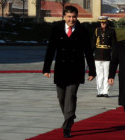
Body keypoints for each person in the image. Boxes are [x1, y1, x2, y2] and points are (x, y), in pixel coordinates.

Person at [42, 6, 96, 138]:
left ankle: (67, 126)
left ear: (77, 17)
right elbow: (50, 49)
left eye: (74, 17)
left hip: (76, 69)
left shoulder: (83, 30)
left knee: (71, 96)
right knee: (61, 98)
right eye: (69, 17)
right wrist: (46, 68)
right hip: (61, 68)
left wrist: (92, 71)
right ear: (64, 17)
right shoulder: (56, 29)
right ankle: (70, 115)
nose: (71, 19)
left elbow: (88, 51)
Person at [92, 16, 116, 97]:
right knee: (99, 75)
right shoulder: (97, 31)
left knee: (107, 74)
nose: (103, 24)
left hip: (107, 56)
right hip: (98, 55)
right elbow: (93, 42)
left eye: (104, 22)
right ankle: (99, 91)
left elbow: (114, 44)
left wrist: (114, 54)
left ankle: (105, 91)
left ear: (107, 22)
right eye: (101, 22)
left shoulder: (111, 31)